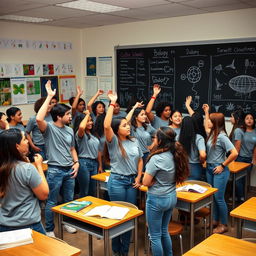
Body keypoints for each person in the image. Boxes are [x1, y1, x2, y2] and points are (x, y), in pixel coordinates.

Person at [36, 80, 79, 237]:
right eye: (67, 114)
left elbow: (72, 148)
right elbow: (39, 119)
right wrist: (49, 96)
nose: (70, 116)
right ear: (59, 116)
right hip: (55, 170)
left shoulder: (69, 130)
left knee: (69, 201)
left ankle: (67, 223)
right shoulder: (49, 129)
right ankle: (49, 229)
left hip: (70, 170)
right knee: (52, 202)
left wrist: (77, 162)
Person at [104, 90, 143, 256]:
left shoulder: (134, 141)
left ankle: (125, 252)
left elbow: (140, 160)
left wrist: (140, 177)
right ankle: (116, 250)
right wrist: (112, 103)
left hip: (132, 182)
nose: (128, 127)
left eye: (128, 125)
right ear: (116, 129)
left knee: (129, 217)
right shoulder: (113, 142)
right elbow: (106, 125)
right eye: (124, 125)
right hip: (117, 182)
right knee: (118, 217)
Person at [142, 127, 189, 256]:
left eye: (155, 138)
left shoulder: (156, 159)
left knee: (155, 236)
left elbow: (145, 182)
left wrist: (153, 180)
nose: (154, 139)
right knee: (164, 231)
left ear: (160, 141)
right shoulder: (176, 154)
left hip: (157, 199)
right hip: (171, 197)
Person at [0, 129, 49, 234]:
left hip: (4, 225)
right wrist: (39, 166)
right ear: (17, 146)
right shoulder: (27, 168)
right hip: (27, 225)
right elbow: (43, 195)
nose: (27, 141)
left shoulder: (3, 167)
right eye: (24, 139)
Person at [203, 104, 238, 234]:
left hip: (219, 170)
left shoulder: (222, 136)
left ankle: (223, 224)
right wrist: (207, 112)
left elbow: (234, 153)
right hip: (210, 169)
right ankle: (215, 220)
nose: (208, 122)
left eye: (211, 120)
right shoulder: (212, 133)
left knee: (219, 198)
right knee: (213, 197)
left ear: (216, 123)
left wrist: (223, 165)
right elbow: (206, 126)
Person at [74, 110, 100, 197]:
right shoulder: (81, 134)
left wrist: (100, 165)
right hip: (84, 162)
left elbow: (98, 150)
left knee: (93, 190)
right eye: (88, 121)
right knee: (84, 191)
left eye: (91, 120)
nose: (91, 123)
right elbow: (81, 127)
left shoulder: (93, 134)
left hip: (94, 163)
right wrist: (88, 114)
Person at [233, 112, 256, 202]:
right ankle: (241, 197)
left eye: (251, 118)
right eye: (247, 118)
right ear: (244, 120)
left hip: (249, 159)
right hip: (240, 158)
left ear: (254, 120)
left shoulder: (255, 132)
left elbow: (255, 147)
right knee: (238, 179)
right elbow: (237, 146)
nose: (249, 120)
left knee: (244, 179)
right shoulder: (241, 131)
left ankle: (240, 196)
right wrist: (233, 159)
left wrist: (254, 159)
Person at [179, 116, 206, 180]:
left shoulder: (178, 137)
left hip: (182, 167)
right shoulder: (198, 138)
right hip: (195, 167)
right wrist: (202, 161)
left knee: (182, 189)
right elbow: (203, 154)